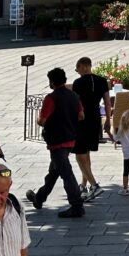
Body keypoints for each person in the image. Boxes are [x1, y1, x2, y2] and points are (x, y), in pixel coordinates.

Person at [25, 67, 86, 219]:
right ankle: (39, 198)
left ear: (51, 82)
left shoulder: (51, 98)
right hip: (70, 140)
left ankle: (77, 205)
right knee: (54, 172)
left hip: (57, 141)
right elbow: (81, 116)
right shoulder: (74, 96)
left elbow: (42, 120)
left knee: (66, 174)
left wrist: (45, 120)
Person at [71, 57, 112, 202]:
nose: (77, 72)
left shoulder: (78, 83)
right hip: (95, 119)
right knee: (86, 153)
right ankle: (83, 185)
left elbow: (77, 104)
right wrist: (108, 119)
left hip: (82, 121)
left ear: (83, 66)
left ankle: (94, 185)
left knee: (79, 155)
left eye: (77, 69)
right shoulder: (102, 81)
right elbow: (107, 103)